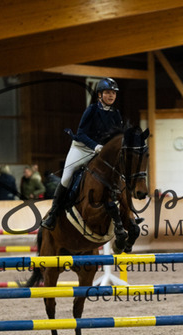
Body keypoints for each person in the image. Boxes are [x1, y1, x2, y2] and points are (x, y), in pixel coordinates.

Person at [41, 77, 124, 229]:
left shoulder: (116, 114)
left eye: (113, 93)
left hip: (102, 153)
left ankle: (126, 214)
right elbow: (81, 133)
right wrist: (95, 146)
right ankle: (53, 214)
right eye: (107, 92)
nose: (111, 95)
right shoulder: (91, 110)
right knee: (66, 177)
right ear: (100, 95)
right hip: (82, 148)